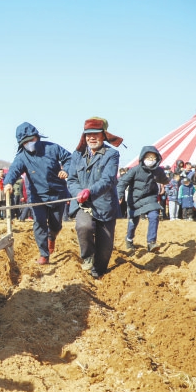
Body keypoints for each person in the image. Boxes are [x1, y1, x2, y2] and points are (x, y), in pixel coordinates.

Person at [3, 122, 71, 265]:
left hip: (57, 193)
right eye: (25, 142)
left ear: (37, 137)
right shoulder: (22, 156)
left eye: (31, 140)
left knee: (56, 224)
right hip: (37, 196)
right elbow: (14, 170)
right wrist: (8, 183)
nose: (29, 144)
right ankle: (44, 254)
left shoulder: (52, 148)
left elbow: (69, 158)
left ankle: (52, 237)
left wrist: (66, 170)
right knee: (39, 223)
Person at [67, 117, 122, 278]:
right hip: (83, 204)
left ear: (103, 135)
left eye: (95, 134)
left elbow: (108, 179)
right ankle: (87, 256)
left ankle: (98, 271)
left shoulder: (112, 154)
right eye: (88, 134)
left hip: (105, 204)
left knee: (104, 250)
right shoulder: (77, 155)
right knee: (84, 227)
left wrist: (90, 191)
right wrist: (79, 192)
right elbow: (71, 180)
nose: (91, 138)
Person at [117, 147, 170, 253]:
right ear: (142, 157)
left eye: (153, 157)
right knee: (133, 222)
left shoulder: (158, 171)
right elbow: (122, 182)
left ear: (157, 159)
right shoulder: (134, 170)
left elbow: (164, 180)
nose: (151, 160)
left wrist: (167, 180)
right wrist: (120, 195)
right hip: (135, 199)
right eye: (148, 157)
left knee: (154, 215)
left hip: (150, 198)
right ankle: (129, 239)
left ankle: (151, 242)